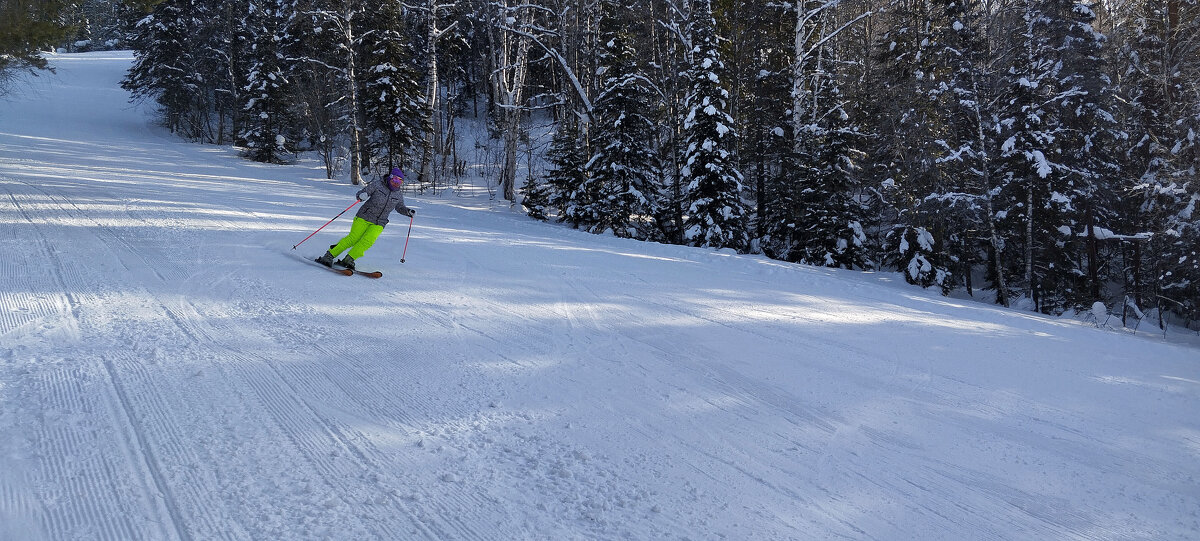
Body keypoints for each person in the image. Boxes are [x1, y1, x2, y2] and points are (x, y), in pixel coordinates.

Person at [317, 167, 415, 270]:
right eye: (395, 179)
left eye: (400, 181)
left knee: (367, 242)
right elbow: (362, 193)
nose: (397, 183)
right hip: (364, 216)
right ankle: (329, 255)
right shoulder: (378, 185)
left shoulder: (398, 194)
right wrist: (361, 196)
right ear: (390, 178)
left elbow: (399, 207)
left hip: (380, 222)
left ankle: (349, 259)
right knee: (353, 239)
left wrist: (408, 212)